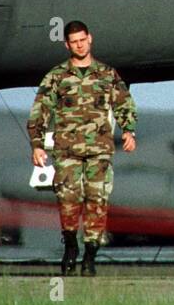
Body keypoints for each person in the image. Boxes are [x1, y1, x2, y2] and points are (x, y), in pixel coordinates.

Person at [28, 20, 138, 276]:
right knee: (68, 203)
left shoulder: (107, 74)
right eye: (73, 42)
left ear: (90, 39)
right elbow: (40, 111)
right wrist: (37, 145)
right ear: (67, 44)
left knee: (97, 203)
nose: (79, 45)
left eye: (82, 40)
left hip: (99, 151)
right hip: (67, 152)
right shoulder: (57, 76)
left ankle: (90, 257)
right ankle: (70, 247)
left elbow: (124, 104)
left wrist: (128, 131)